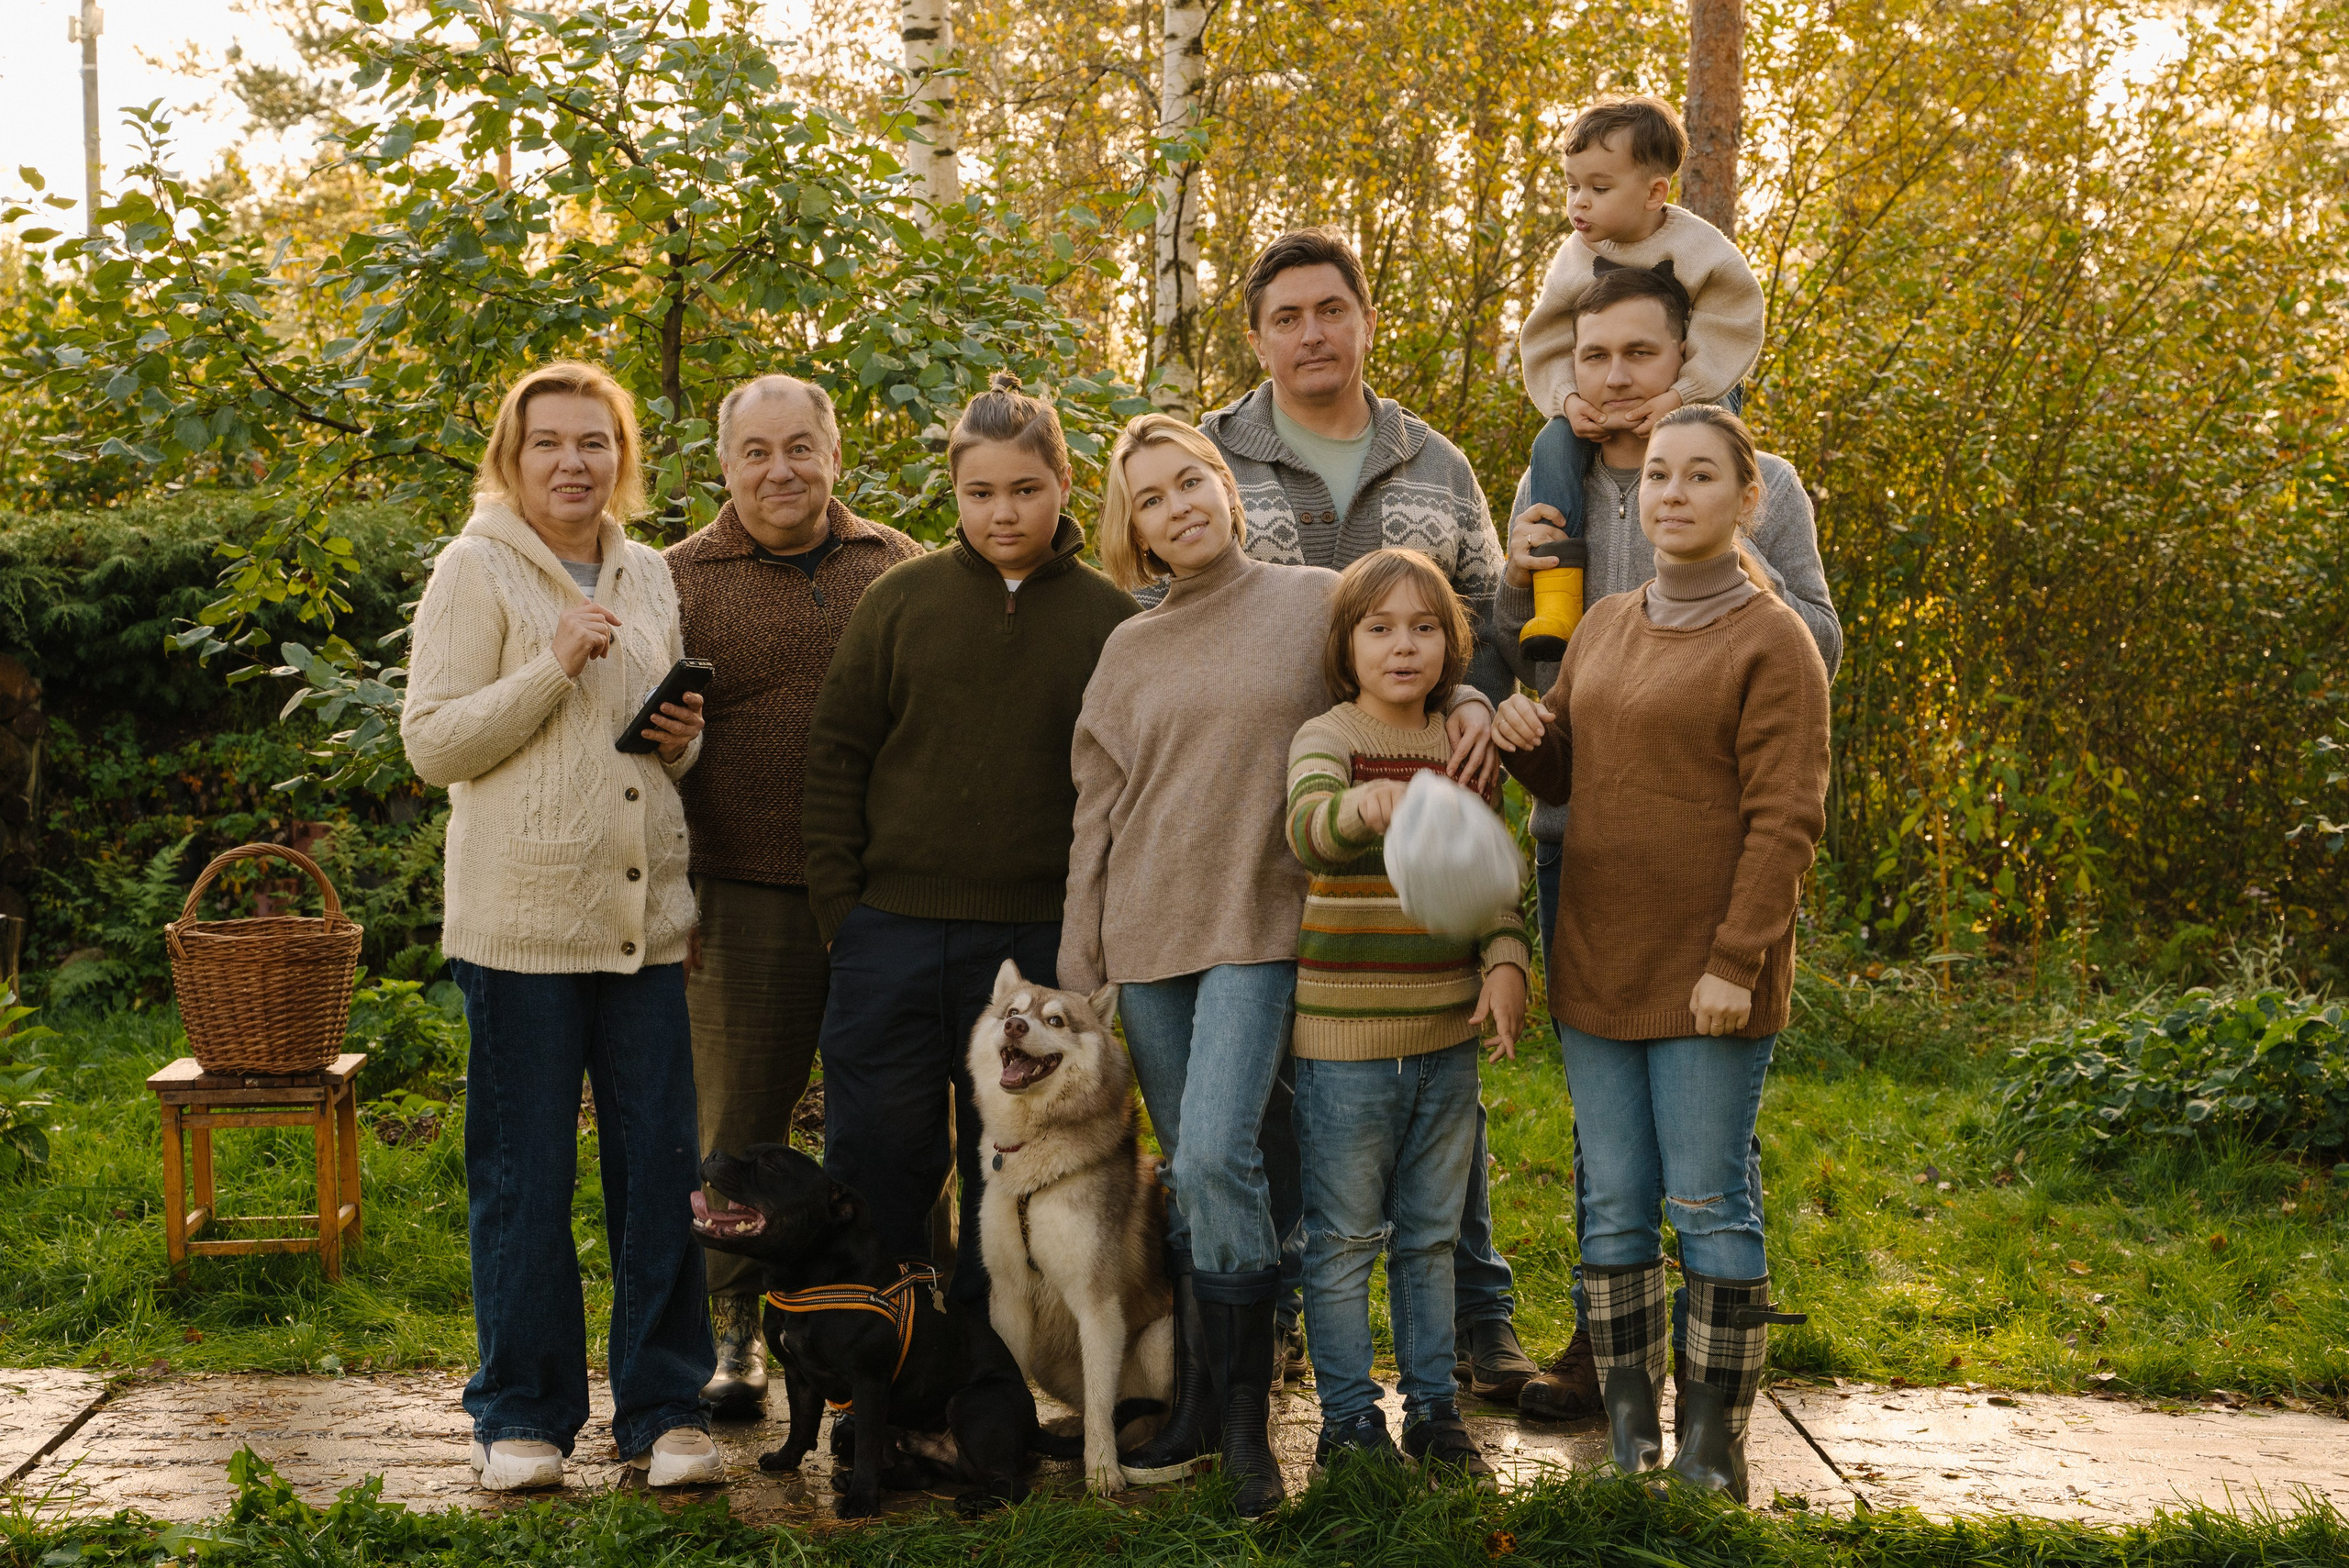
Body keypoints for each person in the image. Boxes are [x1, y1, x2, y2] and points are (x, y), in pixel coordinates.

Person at [1058, 415, 1493, 1516]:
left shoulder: (1311, 599)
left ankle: (1247, 1428)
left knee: (1209, 1157)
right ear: (1136, 530)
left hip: (1264, 923)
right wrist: (1080, 961)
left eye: (1191, 481)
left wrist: (1480, 702)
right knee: (1204, 1186)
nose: (1178, 506)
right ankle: (1207, 1406)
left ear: (1228, 488)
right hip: (1147, 936)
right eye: (1151, 498)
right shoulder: (1127, 647)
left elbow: (1415, 665)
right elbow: (1096, 815)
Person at [1492, 261, 1841, 1423]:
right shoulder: (1553, 483)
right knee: (1614, 1155)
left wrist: (1725, 596)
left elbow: (1806, 678)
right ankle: (1614, 1364)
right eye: (1593, 357)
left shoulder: (1760, 488)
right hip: (1587, 849)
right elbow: (1548, 682)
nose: (1614, 378)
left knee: (1703, 1150)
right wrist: (1510, 586)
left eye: (1638, 354)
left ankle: (1712, 1406)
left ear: (1684, 362)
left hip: (1713, 856)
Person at [1199, 226, 1538, 1404]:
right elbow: (1166, 603)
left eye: (1330, 310)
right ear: (1255, 336)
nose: (1311, 334)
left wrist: (1479, 708)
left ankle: (1475, 1321)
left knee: (1437, 1054)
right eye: (1286, 317)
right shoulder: (1214, 457)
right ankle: (1300, 1317)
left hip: (1426, 799)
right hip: (1274, 801)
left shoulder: (1434, 460)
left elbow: (1491, 613)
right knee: (1308, 1075)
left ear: (1363, 319)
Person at [402, 361, 720, 1492]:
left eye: (594, 441)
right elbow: (434, 743)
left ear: (620, 457)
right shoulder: (474, 568)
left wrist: (682, 733)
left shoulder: (646, 571)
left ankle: (665, 1404)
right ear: (512, 455)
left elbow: (659, 751)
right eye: (548, 443)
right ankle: (521, 1412)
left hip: (643, 920)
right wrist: (553, 661)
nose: (572, 462)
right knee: (525, 1172)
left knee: (660, 1170)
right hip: (522, 927)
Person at [801, 374, 1138, 1313]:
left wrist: (1089, 934)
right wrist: (846, 915)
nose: (1002, 511)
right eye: (979, 492)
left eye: (1023, 489)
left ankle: (990, 1388)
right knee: (878, 1156)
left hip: (1035, 945)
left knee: (1013, 1168)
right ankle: (886, 1378)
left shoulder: (1111, 622)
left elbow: (1122, 789)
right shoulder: (900, 600)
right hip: (892, 935)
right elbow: (835, 756)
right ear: (955, 494)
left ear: (1062, 485)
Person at [664, 374, 921, 1418]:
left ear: (836, 454)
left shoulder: (896, 564)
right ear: (723, 464)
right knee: (736, 1123)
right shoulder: (677, 576)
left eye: (801, 448)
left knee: (894, 1120)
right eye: (757, 451)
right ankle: (735, 1334)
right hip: (739, 890)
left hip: (878, 893)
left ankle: (900, 1310)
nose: (781, 469)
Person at [1284, 548, 1529, 1486]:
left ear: (1452, 647)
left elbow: (1491, 881)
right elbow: (1304, 824)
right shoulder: (1328, 736)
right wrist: (1358, 805)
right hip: (1343, 1044)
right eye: (1380, 627)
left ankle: (1434, 1407)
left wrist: (1505, 961)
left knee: (1428, 1234)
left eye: (1424, 628)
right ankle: (1348, 1418)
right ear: (1347, 646)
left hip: (1444, 1038)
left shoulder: (1462, 748)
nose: (1403, 645)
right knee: (1344, 1236)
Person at [1514, 95, 1765, 540]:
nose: (1581, 203)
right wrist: (1570, 402)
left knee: (1714, 443)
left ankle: (1720, 547)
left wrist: (1680, 395)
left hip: (1702, 386)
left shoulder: (1699, 249)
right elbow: (1545, 341)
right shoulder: (1574, 260)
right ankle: (1556, 565)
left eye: (1600, 188)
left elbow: (1731, 323)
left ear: (1654, 192)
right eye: (1572, 187)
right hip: (1602, 401)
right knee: (1551, 443)